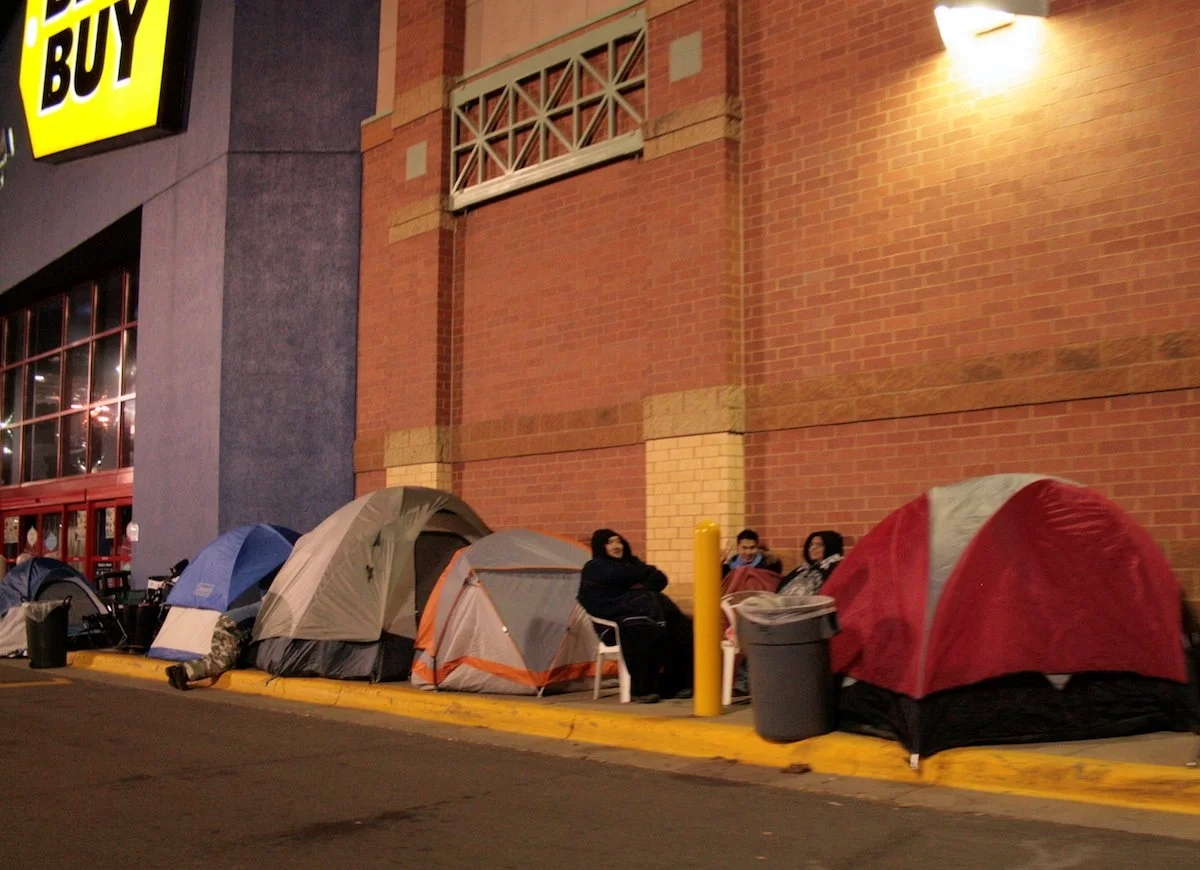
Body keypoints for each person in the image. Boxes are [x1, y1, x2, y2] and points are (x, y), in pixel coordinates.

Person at [578, 529, 693, 704]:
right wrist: (638, 582)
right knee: (641, 629)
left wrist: (636, 589)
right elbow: (604, 592)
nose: (617, 546)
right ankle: (641, 689)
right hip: (613, 621)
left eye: (618, 541)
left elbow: (660, 578)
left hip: (643, 612)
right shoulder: (594, 567)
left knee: (681, 626)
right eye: (610, 543)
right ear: (601, 547)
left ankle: (675, 685)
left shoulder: (631, 564)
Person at [165, 601, 261, 691]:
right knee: (223, 661)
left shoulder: (264, 601)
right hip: (233, 625)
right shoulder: (268, 607)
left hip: (226, 619)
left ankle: (178, 670)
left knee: (215, 656)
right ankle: (184, 672)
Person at [778, 530, 845, 596]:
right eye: (811, 545)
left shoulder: (837, 569)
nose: (812, 548)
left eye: (819, 545)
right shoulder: (803, 569)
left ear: (831, 547)